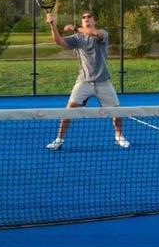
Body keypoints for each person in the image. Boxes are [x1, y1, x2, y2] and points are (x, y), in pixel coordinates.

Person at [45, 10, 130, 150]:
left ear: (94, 21)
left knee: (117, 112)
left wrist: (74, 28)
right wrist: (52, 24)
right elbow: (59, 41)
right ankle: (59, 139)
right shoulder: (77, 38)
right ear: (82, 21)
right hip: (84, 81)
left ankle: (118, 136)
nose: (86, 18)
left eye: (89, 17)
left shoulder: (102, 33)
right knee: (68, 110)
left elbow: (94, 33)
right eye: (84, 17)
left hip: (103, 81)